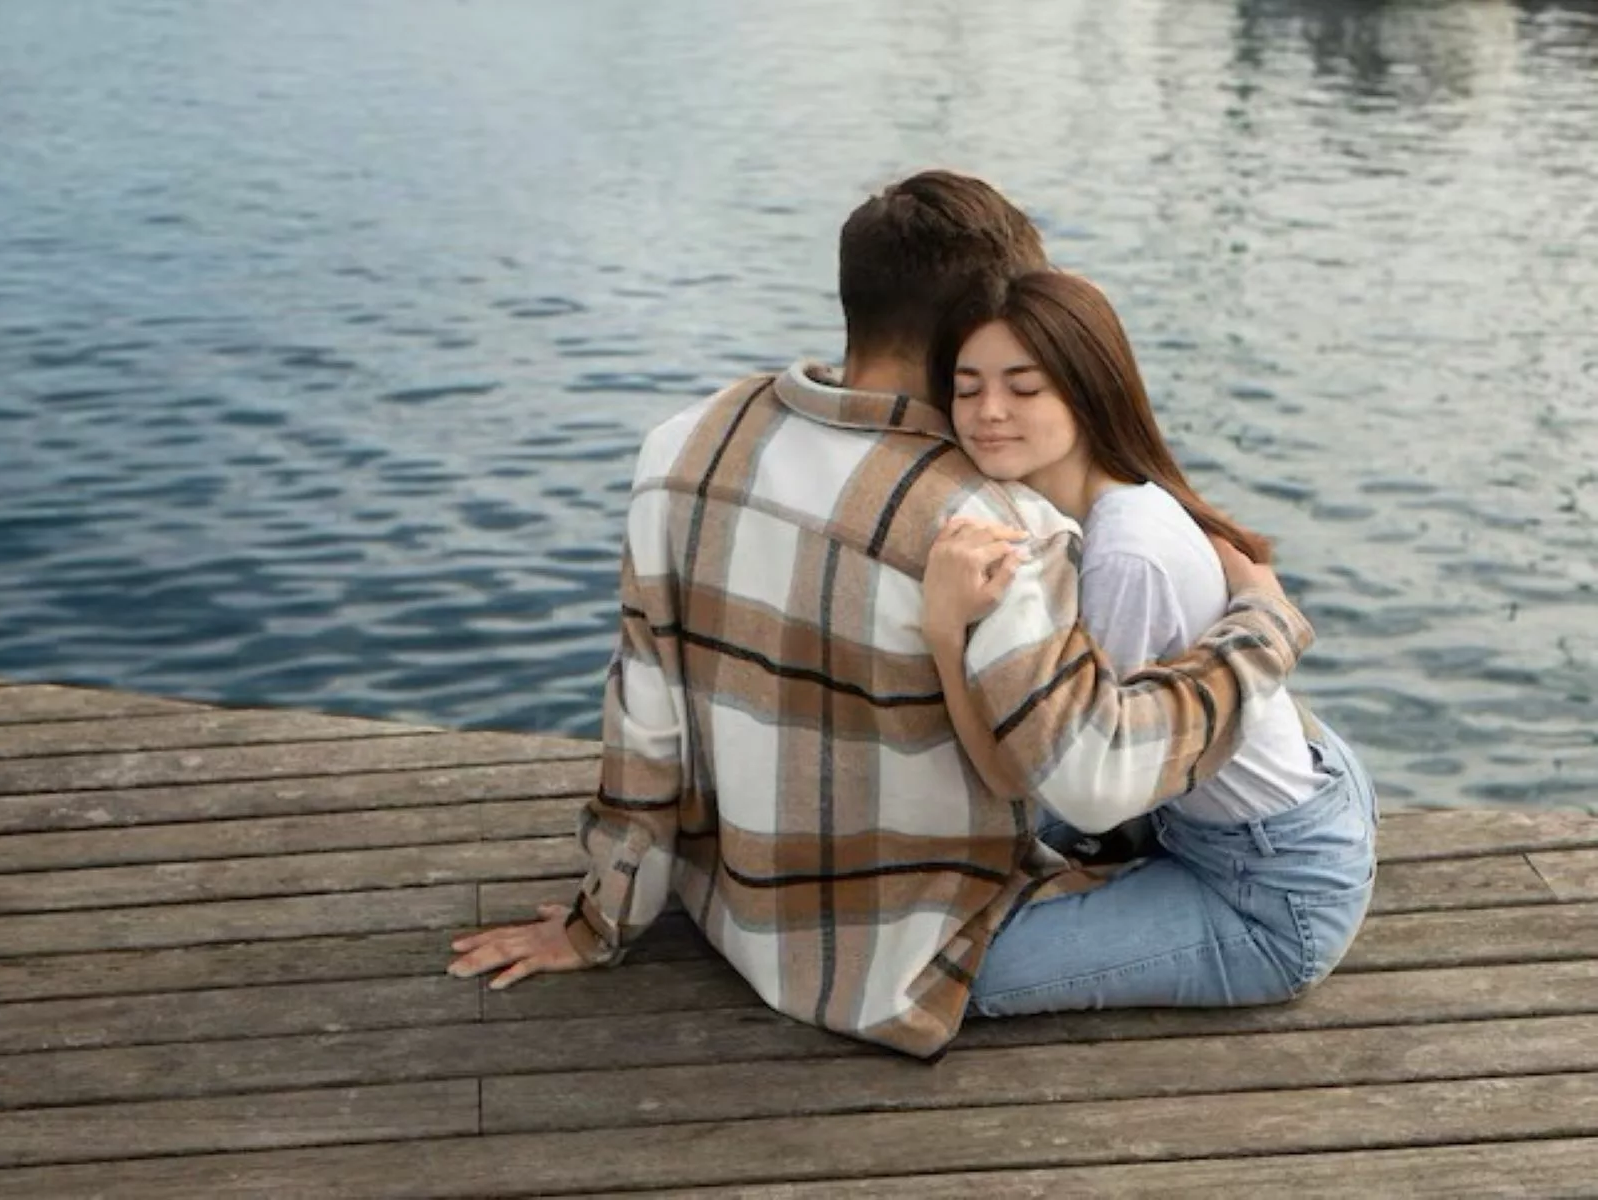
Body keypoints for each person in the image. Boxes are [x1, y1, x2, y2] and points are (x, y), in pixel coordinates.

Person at [447, 170, 1316, 1059]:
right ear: (971, 329)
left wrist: (600, 920)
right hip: (903, 950)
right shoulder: (993, 526)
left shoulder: (684, 446)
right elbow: (1093, 779)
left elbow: (644, 720)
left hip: (736, 914)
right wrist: (1266, 626)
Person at [922, 268, 1378, 1017]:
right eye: (966, 389)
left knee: (939, 978)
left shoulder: (1123, 553)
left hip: (1269, 899)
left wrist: (943, 630)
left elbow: (1066, 790)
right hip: (1280, 802)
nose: (988, 412)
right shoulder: (1109, 503)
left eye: (1023, 388)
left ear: (1086, 392)